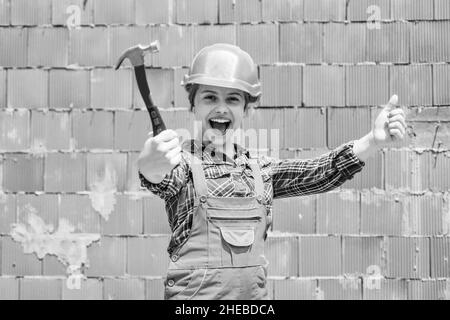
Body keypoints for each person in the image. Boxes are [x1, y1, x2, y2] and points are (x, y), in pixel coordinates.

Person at [137, 43, 407, 300]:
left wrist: (372, 141)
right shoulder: (181, 166)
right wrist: (150, 164)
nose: (221, 107)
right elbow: (161, 178)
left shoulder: (261, 170)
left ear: (247, 109)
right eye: (209, 97)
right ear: (193, 105)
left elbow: (319, 173)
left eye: (232, 98)